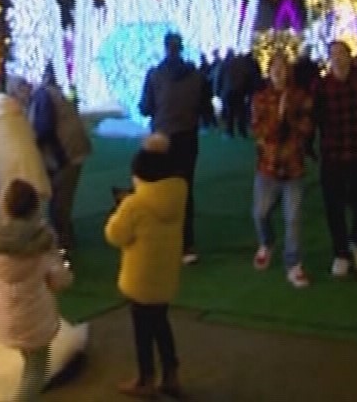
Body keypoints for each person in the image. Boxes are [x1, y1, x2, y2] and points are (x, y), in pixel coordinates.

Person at [0, 178, 73, 402]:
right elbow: (59, 280)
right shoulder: (42, 245)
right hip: (35, 316)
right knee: (37, 370)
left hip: (6, 313)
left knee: (30, 363)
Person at [105, 134, 187, 398]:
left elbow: (115, 236)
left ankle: (145, 378)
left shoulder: (134, 204)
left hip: (140, 278)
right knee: (161, 323)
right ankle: (171, 372)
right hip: (165, 275)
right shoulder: (178, 193)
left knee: (142, 330)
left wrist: (119, 210)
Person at [313, 39, 357, 276]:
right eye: (334, 54)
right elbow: (315, 118)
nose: (339, 58)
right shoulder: (321, 87)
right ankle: (340, 252)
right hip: (333, 155)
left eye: (342, 53)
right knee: (334, 206)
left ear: (350, 57)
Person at [139, 33, 208, 262]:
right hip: (188, 136)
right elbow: (205, 106)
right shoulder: (196, 76)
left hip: (162, 138)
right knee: (185, 188)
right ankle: (187, 243)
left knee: (160, 188)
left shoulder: (156, 75)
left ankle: (162, 240)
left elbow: (145, 107)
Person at [250, 49, 314, 287]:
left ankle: (294, 263)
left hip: (293, 167)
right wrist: (279, 115)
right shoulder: (260, 99)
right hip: (268, 166)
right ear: (269, 73)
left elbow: (306, 129)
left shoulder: (300, 97)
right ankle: (267, 242)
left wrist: (290, 117)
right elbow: (260, 132)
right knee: (260, 213)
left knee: (293, 217)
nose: (279, 73)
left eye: (283, 69)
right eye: (274, 69)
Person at [29, 65, 92, 246]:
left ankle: (63, 243)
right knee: (61, 200)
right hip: (73, 150)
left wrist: (36, 146)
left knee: (60, 203)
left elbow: (45, 128)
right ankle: (64, 238)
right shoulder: (53, 93)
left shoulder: (42, 95)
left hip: (66, 154)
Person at [0, 81, 53, 220]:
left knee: (12, 223)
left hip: (9, 183)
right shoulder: (12, 109)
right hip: (33, 171)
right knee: (37, 221)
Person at [219, 50, 258, 139]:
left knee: (230, 112)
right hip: (240, 90)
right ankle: (242, 132)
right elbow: (249, 77)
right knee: (241, 112)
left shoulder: (226, 63)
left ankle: (229, 132)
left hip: (229, 90)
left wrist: (219, 90)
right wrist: (248, 91)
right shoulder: (244, 64)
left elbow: (220, 77)